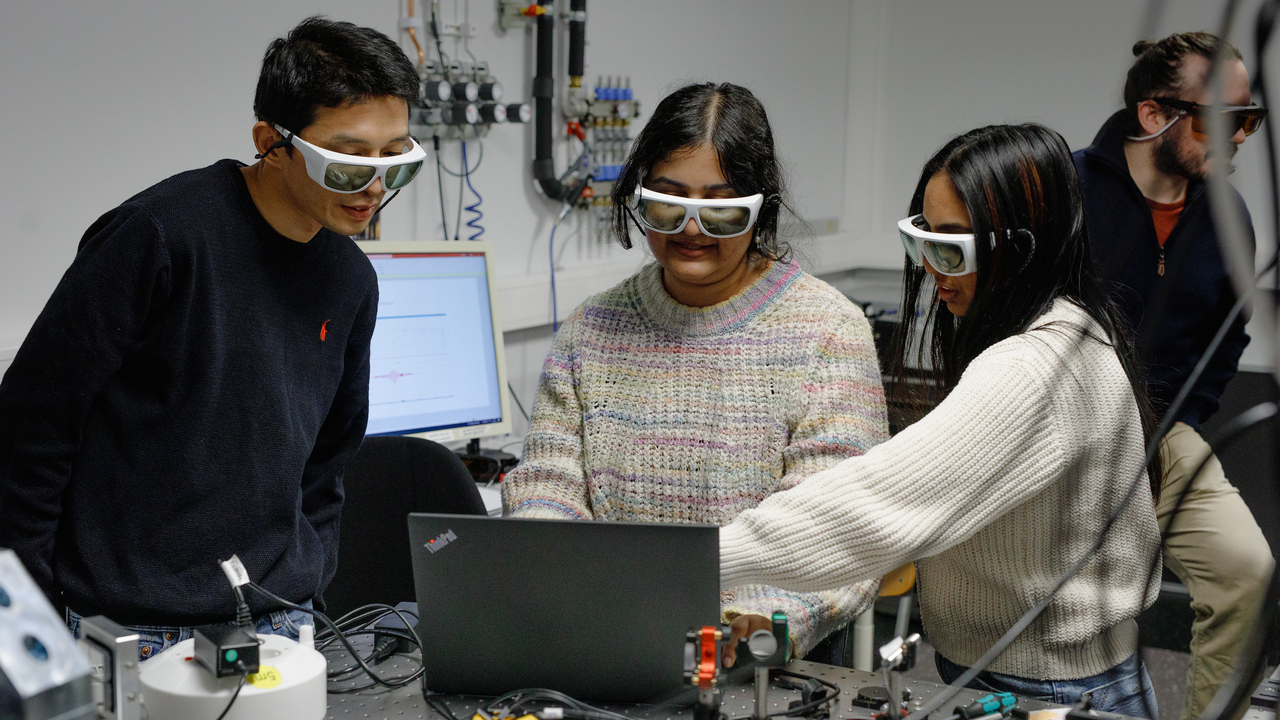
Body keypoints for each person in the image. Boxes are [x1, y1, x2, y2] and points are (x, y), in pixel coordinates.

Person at [0, 17, 424, 660]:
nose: (374, 188)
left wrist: (306, 588)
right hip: (129, 629)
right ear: (270, 142)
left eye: (395, 162)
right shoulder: (159, 238)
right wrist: (33, 616)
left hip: (280, 624)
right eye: (345, 164)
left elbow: (327, 461)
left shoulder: (350, 280)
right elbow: (32, 429)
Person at [718, 124, 1164, 717]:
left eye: (952, 248)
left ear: (1023, 247)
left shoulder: (1034, 371)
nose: (931, 268)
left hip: (1048, 691)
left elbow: (873, 505)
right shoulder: (1072, 325)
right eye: (921, 239)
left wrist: (697, 555)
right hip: (1042, 675)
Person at [501, 82, 890, 665]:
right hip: (613, 638)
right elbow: (550, 483)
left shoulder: (827, 331)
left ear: (760, 210)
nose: (691, 230)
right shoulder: (591, 329)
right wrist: (559, 572)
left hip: (768, 659)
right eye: (668, 203)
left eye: (721, 209)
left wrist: (761, 620)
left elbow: (833, 523)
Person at [1072, 32, 1274, 720]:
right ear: (1154, 115)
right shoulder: (1066, 193)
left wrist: (1184, 416)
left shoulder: (1227, 216)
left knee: (1248, 574)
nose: (1239, 137)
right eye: (1222, 118)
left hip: (1163, 434)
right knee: (1074, 607)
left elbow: (1229, 331)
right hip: (1060, 438)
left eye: (1250, 119)